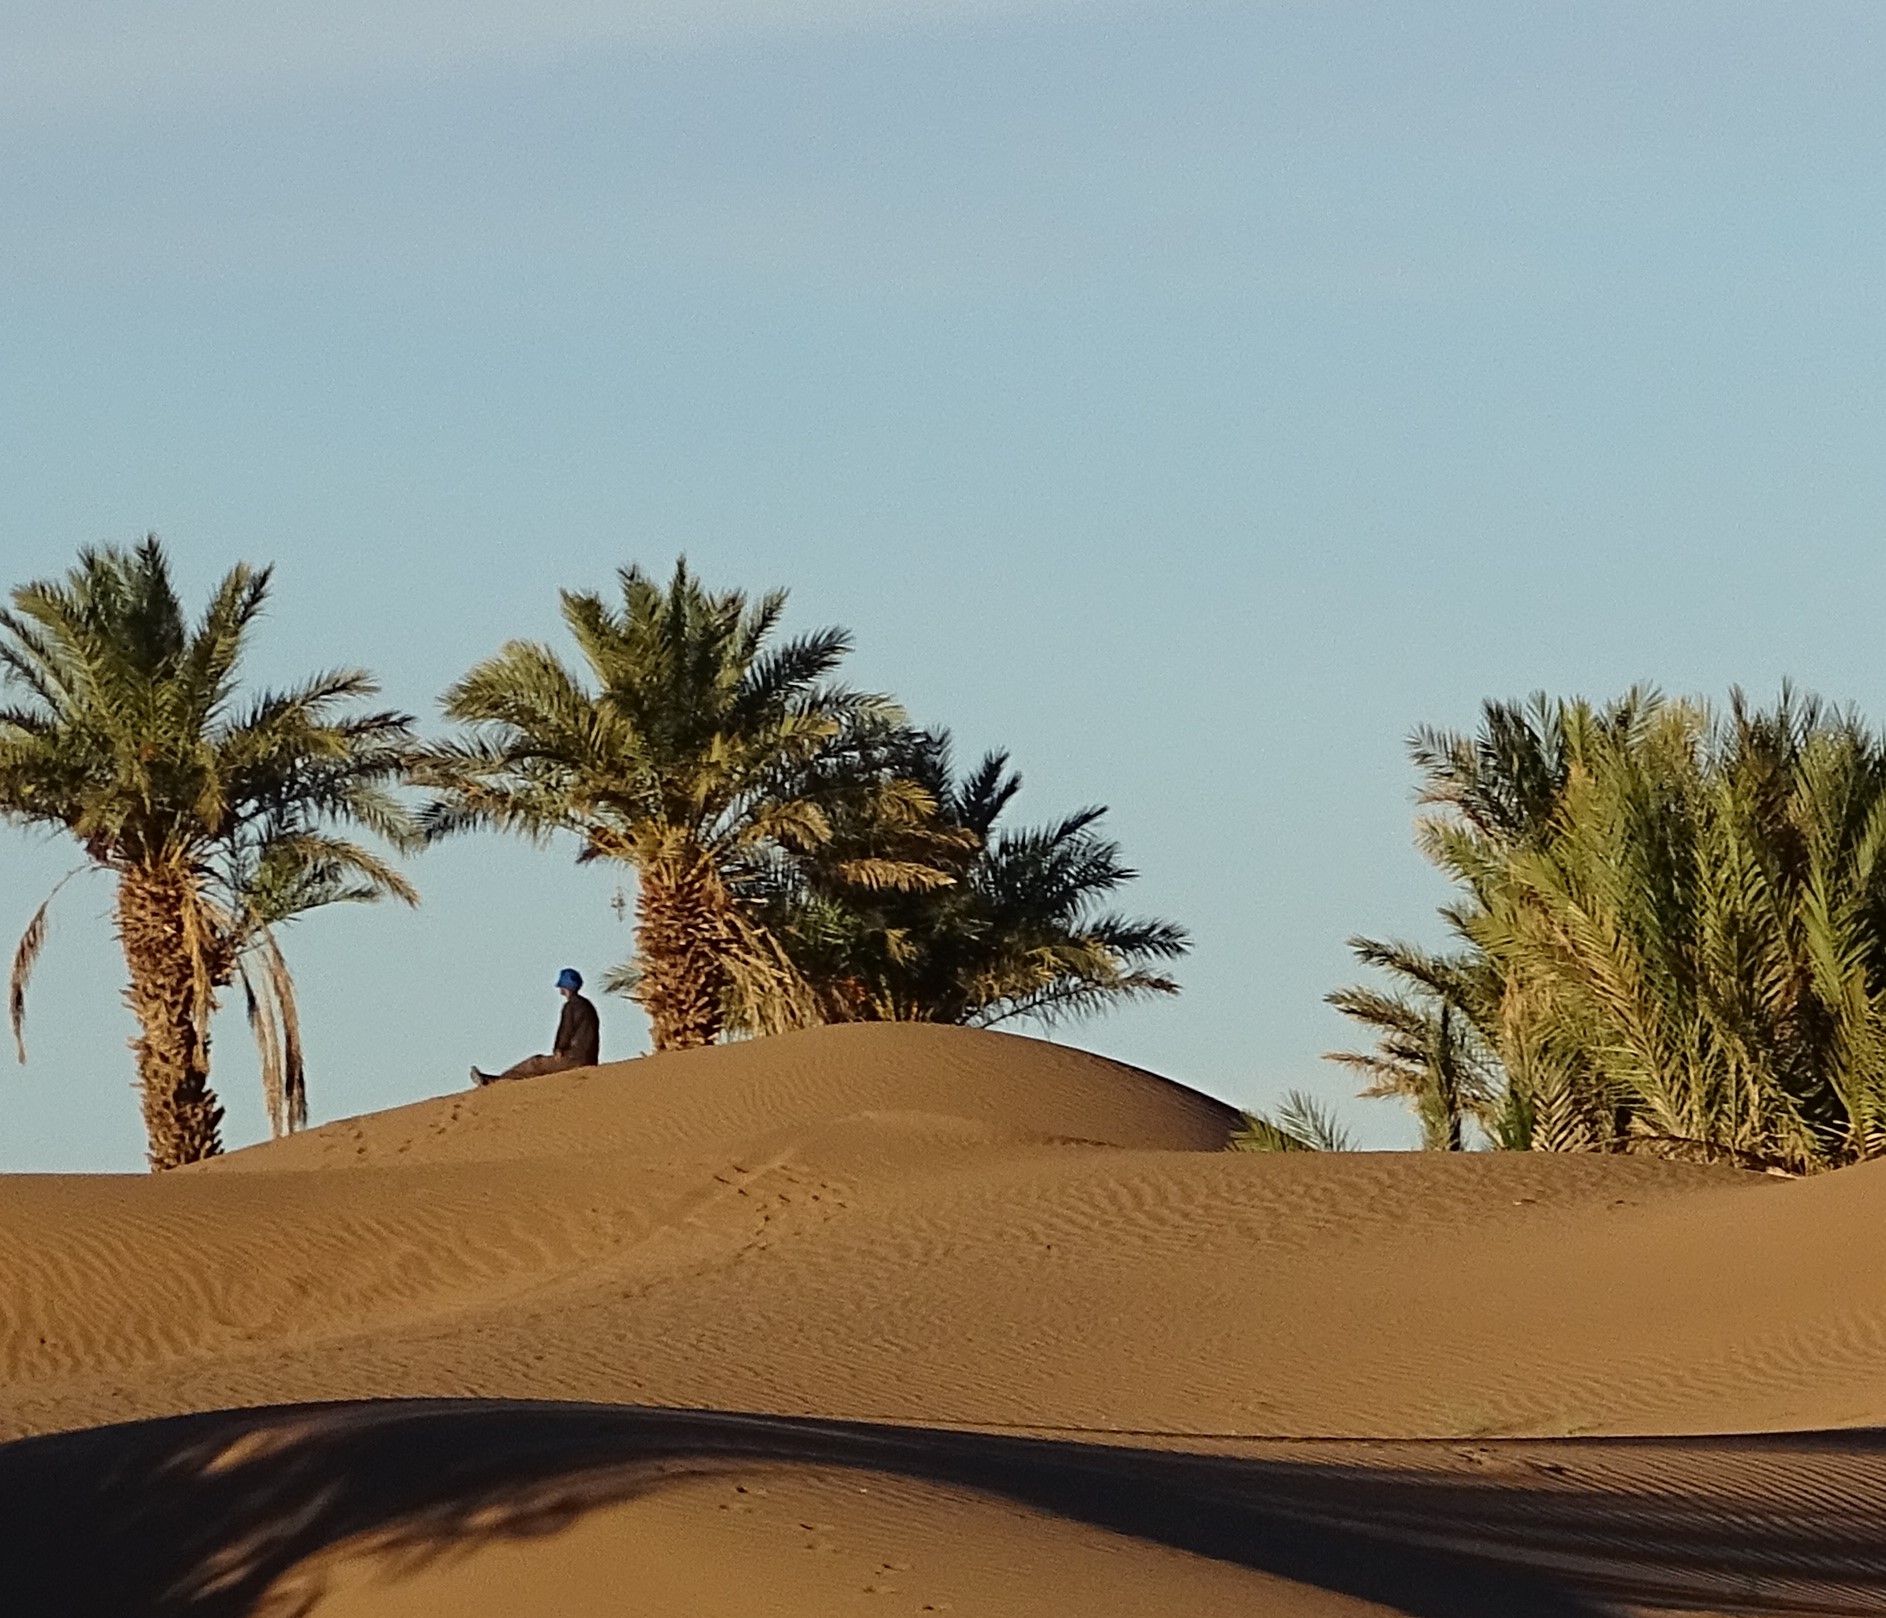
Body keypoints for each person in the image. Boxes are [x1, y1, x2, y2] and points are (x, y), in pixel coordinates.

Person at [471, 967, 601, 1086]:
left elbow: (566, 1030)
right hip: (588, 1059)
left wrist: (559, 1048)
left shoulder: (571, 1006)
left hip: (573, 1059)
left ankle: (496, 1082)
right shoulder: (587, 1005)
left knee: (534, 1064)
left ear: (564, 986)